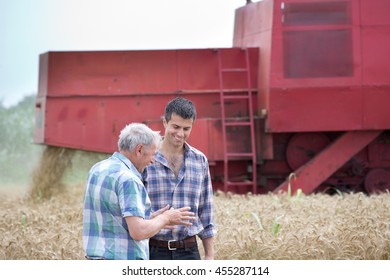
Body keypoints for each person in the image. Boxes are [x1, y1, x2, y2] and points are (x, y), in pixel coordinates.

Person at [83, 123, 195, 260]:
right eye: (153, 154)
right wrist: (166, 218)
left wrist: (151, 218)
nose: (153, 161)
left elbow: (113, 218)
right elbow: (138, 232)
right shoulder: (129, 179)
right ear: (140, 150)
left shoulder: (98, 169)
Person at [143, 97, 216, 260]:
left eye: (186, 128)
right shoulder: (146, 159)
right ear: (164, 123)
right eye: (175, 127)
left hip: (189, 251)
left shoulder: (200, 160)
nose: (180, 134)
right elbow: (134, 209)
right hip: (152, 250)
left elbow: (206, 211)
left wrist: (210, 255)